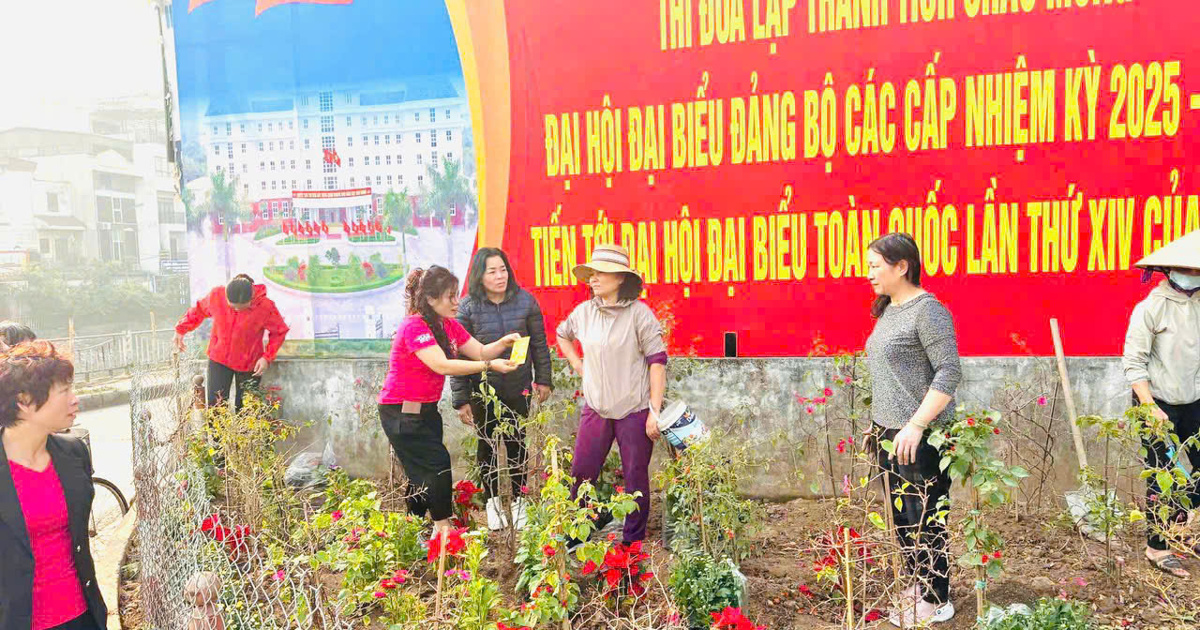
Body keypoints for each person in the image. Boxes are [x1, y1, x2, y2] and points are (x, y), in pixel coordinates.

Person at [863, 233, 961, 627]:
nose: (868, 273)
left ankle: (939, 599)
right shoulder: (889, 309)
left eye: (875, 266)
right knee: (904, 515)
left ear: (901, 266)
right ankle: (919, 583)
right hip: (889, 432)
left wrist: (917, 425)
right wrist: (880, 428)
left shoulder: (929, 311)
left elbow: (949, 371)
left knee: (926, 515)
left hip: (921, 436)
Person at [378, 266, 519, 533]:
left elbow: (480, 351)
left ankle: (416, 526)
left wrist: (503, 342)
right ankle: (442, 529)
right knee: (437, 466)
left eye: (457, 295)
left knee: (420, 472)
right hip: (400, 411)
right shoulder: (414, 325)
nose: (457, 302)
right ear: (431, 299)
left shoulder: (449, 326)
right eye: (450, 297)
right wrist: (490, 365)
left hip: (426, 410)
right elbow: (442, 365)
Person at [556, 244, 667, 546]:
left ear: (620, 278)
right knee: (581, 473)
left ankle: (632, 545)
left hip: (634, 409)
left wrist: (654, 412)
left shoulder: (639, 315)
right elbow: (562, 334)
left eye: (601, 272)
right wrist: (579, 365)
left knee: (635, 479)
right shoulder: (583, 313)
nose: (593, 278)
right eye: (591, 272)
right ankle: (578, 534)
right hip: (596, 407)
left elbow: (657, 362)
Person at [0, 341, 108, 630]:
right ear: (23, 401)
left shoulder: (73, 453)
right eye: (64, 391)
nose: (75, 399)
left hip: (82, 614)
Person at [450, 248, 553, 531]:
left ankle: (519, 502)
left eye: (503, 269)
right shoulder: (467, 308)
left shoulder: (525, 302)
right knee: (488, 449)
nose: (499, 276)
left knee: (518, 445)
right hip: (482, 391)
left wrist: (543, 379)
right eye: (492, 271)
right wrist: (461, 400)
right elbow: (458, 355)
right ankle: (494, 502)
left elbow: (539, 345)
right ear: (480, 276)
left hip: (518, 387)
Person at [1122, 228, 1200, 578]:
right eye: (1189, 269)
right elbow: (1134, 363)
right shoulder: (1149, 309)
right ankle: (1157, 547)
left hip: (1194, 400)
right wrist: (1149, 406)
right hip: (1156, 403)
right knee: (1162, 477)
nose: (1193, 275)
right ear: (1169, 270)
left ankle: (1185, 531)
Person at [174, 274, 289, 410]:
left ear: (252, 297)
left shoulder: (265, 307)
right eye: (233, 307)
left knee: (247, 409)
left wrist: (266, 357)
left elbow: (279, 331)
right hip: (219, 359)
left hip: (250, 363)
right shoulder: (216, 296)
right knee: (216, 406)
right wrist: (181, 329)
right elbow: (198, 311)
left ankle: (245, 431)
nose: (237, 310)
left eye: (242, 308)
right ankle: (219, 432)